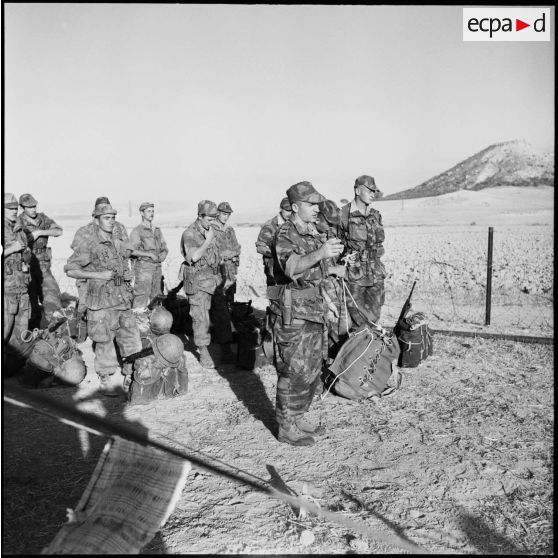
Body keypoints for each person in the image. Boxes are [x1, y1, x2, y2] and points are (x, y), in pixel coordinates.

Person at [268, 182, 344, 446]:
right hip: (294, 314)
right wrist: (321, 252)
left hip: (313, 310)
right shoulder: (285, 233)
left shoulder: (311, 233)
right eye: (311, 205)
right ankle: (286, 426)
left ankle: (298, 416)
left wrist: (328, 301)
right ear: (296, 206)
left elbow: (317, 276)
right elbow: (292, 268)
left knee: (310, 370)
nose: (316, 209)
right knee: (292, 370)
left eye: (316, 204)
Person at [64, 199, 142, 395]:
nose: (111, 221)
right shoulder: (90, 243)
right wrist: (98, 275)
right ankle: (106, 377)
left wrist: (126, 275)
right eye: (107, 218)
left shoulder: (119, 241)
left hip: (122, 298)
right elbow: (71, 270)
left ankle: (131, 374)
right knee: (103, 340)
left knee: (130, 337)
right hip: (100, 301)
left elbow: (124, 262)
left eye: (113, 217)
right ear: (97, 220)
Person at [71, 197, 129, 331]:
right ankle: (80, 325)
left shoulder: (119, 228)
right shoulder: (84, 231)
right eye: (102, 208)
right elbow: (78, 254)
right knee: (86, 303)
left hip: (112, 277)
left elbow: (125, 249)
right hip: (88, 276)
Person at [180, 200, 224, 370]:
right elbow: (194, 257)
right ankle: (204, 351)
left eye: (215, 218)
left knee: (221, 315)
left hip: (213, 281)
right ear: (200, 216)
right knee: (200, 319)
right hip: (198, 283)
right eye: (210, 218)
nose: (213, 222)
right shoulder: (190, 233)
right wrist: (207, 242)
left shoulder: (210, 230)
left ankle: (225, 348)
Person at [338, 175, 386, 327]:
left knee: (374, 315)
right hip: (354, 273)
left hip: (375, 272)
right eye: (370, 190)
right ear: (358, 191)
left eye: (375, 191)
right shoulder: (343, 215)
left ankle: (370, 347)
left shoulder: (376, 215)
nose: (373, 194)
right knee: (355, 317)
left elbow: (378, 244)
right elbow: (333, 243)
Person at [14, 194, 63, 328]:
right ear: (23, 208)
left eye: (34, 206)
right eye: (29, 207)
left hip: (43, 266)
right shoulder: (19, 222)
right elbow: (17, 242)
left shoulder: (42, 218)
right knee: (31, 302)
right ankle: (32, 334)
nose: (33, 209)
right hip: (28, 265)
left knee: (51, 296)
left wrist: (40, 232)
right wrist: (30, 237)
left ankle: (56, 332)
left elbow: (58, 231)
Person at [3, 193, 34, 373]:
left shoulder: (20, 230)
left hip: (21, 289)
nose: (14, 212)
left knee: (20, 334)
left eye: (16, 208)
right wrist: (10, 250)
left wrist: (26, 258)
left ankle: (10, 373)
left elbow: (26, 255)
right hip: (5, 291)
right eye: (10, 208)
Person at [210, 201, 241, 362]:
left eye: (228, 214)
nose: (226, 216)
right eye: (223, 213)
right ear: (217, 213)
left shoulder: (229, 230)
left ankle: (226, 336)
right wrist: (229, 254)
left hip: (231, 273)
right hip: (219, 275)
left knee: (229, 305)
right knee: (219, 309)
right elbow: (215, 253)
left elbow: (237, 248)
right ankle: (223, 345)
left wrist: (230, 255)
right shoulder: (211, 230)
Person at [129, 202, 169, 310]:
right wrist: (149, 254)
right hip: (144, 268)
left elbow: (164, 246)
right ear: (142, 213)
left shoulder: (157, 230)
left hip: (157, 268)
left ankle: (154, 324)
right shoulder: (137, 231)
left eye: (153, 211)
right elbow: (132, 251)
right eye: (148, 211)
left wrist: (163, 254)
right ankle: (138, 324)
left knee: (157, 298)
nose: (151, 213)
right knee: (141, 297)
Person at [255, 196, 292, 286]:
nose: (289, 213)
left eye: (292, 211)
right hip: (274, 270)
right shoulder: (270, 225)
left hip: (291, 267)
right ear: (281, 209)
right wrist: (276, 253)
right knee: (276, 296)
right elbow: (260, 247)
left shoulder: (294, 224)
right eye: (287, 210)